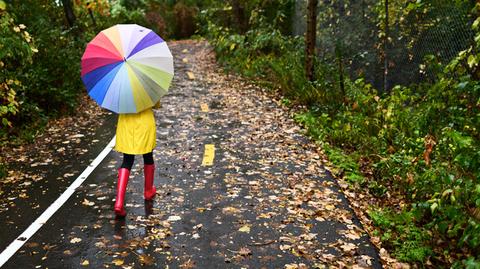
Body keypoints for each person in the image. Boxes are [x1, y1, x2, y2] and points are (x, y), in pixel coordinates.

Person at [113, 101, 161, 217]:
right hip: (145, 123)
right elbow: (156, 104)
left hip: (127, 125)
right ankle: (148, 191)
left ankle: (119, 202)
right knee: (148, 156)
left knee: (127, 161)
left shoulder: (121, 86)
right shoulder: (147, 85)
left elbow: (117, 106)